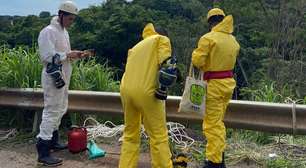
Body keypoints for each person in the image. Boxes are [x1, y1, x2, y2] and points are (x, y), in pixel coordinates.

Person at [36, 1, 90, 166]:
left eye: (73, 19)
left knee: (60, 109)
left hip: (63, 77)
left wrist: (75, 55)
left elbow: (63, 55)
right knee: (51, 111)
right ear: (61, 15)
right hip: (53, 78)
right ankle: (43, 152)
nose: (71, 22)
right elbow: (46, 57)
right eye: (70, 19)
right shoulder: (48, 32)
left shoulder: (64, 32)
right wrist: (68, 54)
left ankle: (53, 142)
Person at [119, 23, 174, 168]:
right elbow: (168, 67)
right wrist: (163, 88)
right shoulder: (161, 40)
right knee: (158, 136)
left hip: (126, 91)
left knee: (130, 135)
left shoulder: (135, 47)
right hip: (146, 92)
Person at [191, 8, 240, 168]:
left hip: (213, 86)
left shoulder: (208, 38)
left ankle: (214, 162)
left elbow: (198, 62)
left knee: (212, 125)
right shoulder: (233, 40)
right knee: (218, 123)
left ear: (210, 22)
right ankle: (220, 157)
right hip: (228, 84)